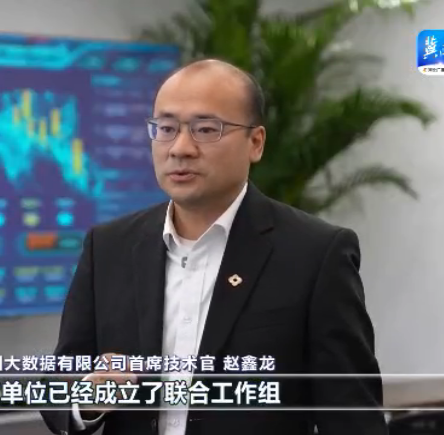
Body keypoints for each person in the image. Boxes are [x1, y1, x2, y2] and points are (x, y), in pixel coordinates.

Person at [40, 58, 387, 435]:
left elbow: (352, 417)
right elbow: (61, 382)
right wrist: (87, 400)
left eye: (206, 129)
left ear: (255, 142)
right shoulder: (108, 247)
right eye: (166, 129)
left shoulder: (315, 254)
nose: (180, 148)